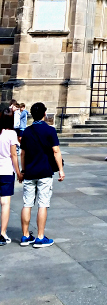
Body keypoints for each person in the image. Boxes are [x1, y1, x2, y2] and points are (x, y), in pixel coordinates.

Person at [20, 102, 65, 248]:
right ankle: (40, 237)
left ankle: (26, 236)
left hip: (30, 172)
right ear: (44, 114)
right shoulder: (50, 130)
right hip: (44, 172)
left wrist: (23, 170)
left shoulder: (26, 132)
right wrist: (61, 170)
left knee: (27, 204)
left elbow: (23, 154)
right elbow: (56, 151)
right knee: (43, 204)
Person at [0, 107, 23, 246]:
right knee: (5, 203)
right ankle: (2, 233)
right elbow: (14, 155)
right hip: (7, 171)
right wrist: (19, 172)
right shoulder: (11, 134)